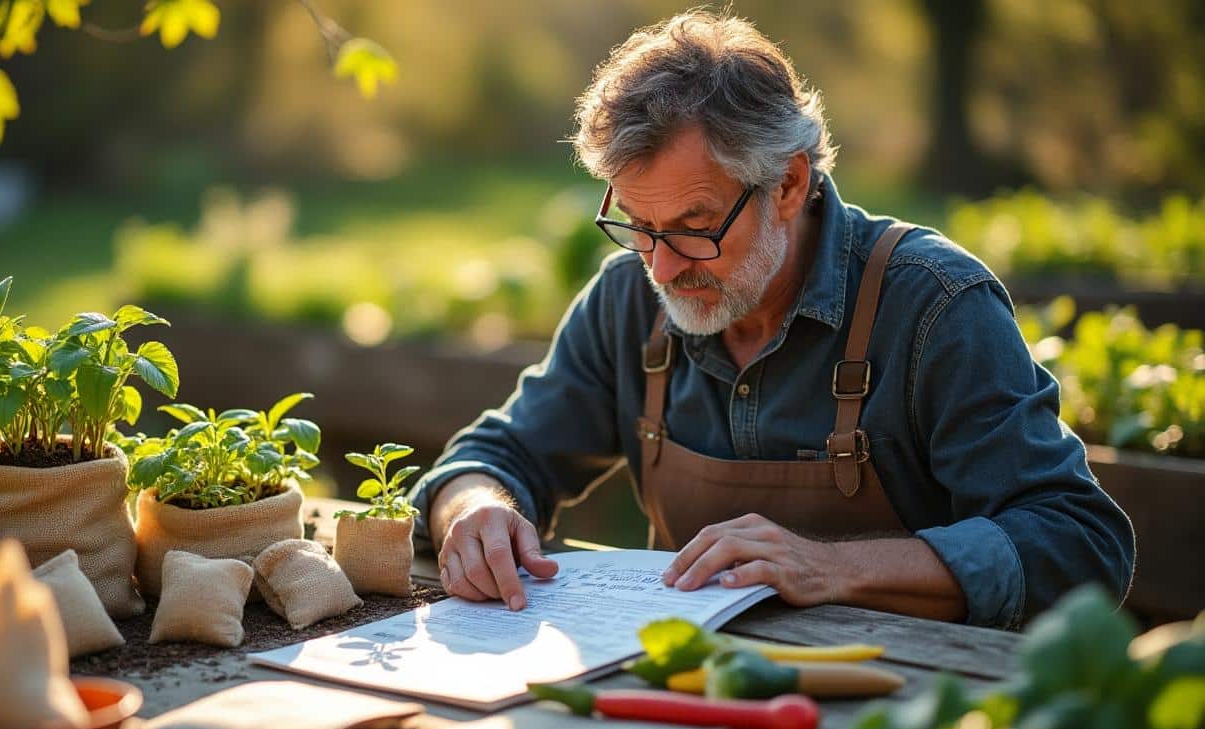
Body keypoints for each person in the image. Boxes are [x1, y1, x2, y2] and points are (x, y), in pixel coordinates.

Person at [407, 10, 1134, 629]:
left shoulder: (936, 306)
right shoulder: (629, 297)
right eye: (637, 224)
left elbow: (1080, 544)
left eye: (694, 225)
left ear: (787, 182)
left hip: (912, 703)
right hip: (678, 690)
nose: (660, 268)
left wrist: (829, 568)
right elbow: (497, 456)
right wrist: (474, 508)